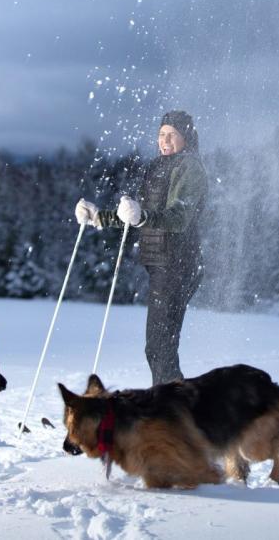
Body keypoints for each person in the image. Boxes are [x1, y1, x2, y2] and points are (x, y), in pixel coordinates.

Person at [75, 110, 208, 386]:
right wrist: (100, 216)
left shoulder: (190, 168)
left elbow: (179, 217)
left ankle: (174, 414)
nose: (165, 140)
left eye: (172, 135)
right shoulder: (159, 166)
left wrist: (143, 216)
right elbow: (137, 215)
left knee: (160, 347)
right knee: (159, 348)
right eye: (161, 134)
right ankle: (176, 410)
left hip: (178, 263)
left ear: (186, 138)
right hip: (162, 264)